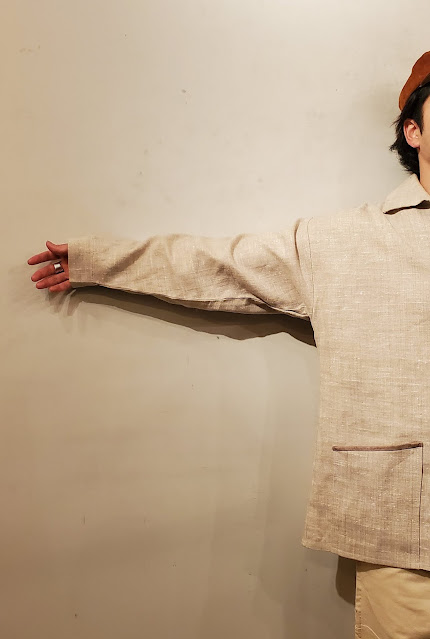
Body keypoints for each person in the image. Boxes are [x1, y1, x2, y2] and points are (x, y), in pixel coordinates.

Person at [27, 52, 430, 638]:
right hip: (406, 527)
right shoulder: (344, 241)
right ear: (414, 131)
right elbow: (219, 265)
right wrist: (99, 260)